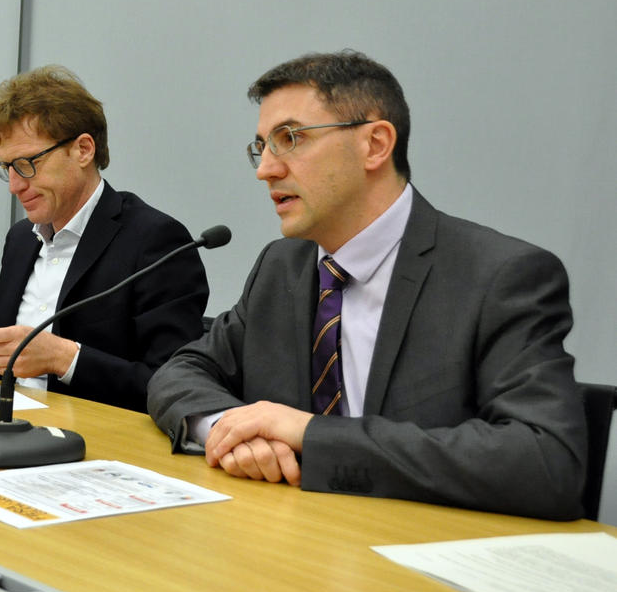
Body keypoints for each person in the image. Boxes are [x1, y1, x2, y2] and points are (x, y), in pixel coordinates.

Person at [147, 50, 587, 520]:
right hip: (287, 544)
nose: (266, 169)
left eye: (289, 138)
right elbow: (182, 371)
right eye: (262, 146)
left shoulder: (500, 276)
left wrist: (311, 435)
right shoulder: (283, 266)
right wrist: (225, 429)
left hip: (419, 561)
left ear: (375, 144)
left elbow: (545, 462)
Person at [0, 65, 209, 411]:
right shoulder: (20, 240)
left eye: (27, 163)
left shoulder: (156, 241)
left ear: (83, 150)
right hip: (6, 429)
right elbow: (15, 368)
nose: (15, 185)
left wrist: (66, 360)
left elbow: (176, 386)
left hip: (97, 444)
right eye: (7, 169)